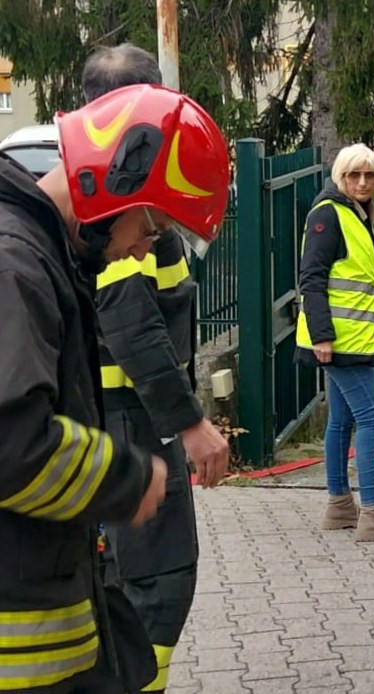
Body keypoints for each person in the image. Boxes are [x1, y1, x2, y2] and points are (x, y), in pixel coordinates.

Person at [0, 84, 230, 693]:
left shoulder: (41, 255)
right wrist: (126, 479)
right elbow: (12, 445)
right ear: (114, 185)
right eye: (152, 228)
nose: (145, 248)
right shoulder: (16, 265)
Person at [83, 43, 231, 694]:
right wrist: (191, 423)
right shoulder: (115, 203)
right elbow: (133, 329)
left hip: (125, 422)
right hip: (131, 429)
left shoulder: (115, 190)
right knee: (156, 582)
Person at [295, 143, 374, 543]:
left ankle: (339, 506)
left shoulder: (367, 218)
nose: (362, 182)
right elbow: (311, 278)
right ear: (340, 177)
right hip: (341, 342)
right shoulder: (329, 215)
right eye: (353, 175)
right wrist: (323, 337)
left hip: (358, 340)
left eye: (370, 176)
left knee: (343, 420)